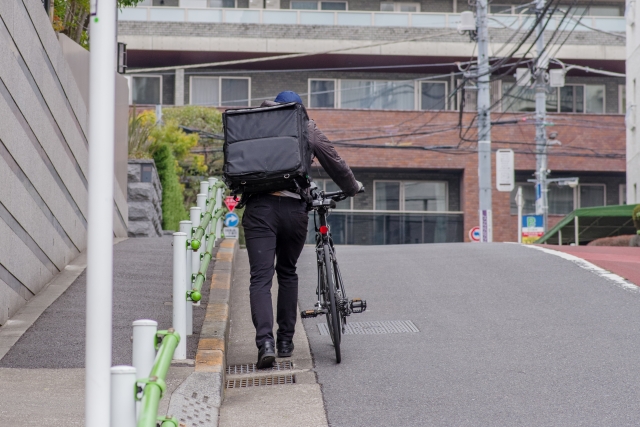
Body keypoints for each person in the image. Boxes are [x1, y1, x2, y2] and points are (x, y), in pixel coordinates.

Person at [242, 91, 362, 368]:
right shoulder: (305, 126)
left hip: (260, 209)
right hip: (294, 209)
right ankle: (286, 341)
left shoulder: (254, 124)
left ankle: (266, 344)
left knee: (260, 278)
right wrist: (351, 188)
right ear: (300, 109)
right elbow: (335, 163)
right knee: (287, 272)